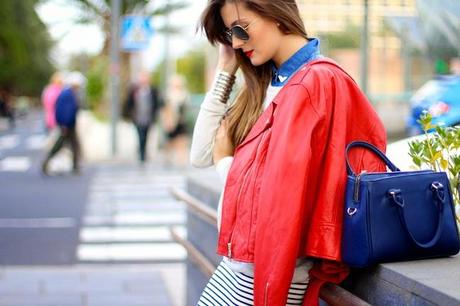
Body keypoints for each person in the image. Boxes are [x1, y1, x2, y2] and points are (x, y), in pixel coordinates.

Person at [191, 1, 387, 305]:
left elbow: (279, 196)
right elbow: (201, 153)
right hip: (239, 268)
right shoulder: (265, 83)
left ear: (276, 14)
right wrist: (225, 70)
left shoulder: (313, 84)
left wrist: (225, 162)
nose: (237, 42)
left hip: (270, 274)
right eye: (231, 33)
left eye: (242, 28)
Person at [42, 71, 86, 176]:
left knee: (74, 145)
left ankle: (75, 166)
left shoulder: (69, 93)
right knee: (60, 145)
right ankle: (47, 162)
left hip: (70, 124)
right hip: (67, 125)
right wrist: (64, 124)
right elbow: (65, 110)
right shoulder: (68, 94)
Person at [123, 71, 163, 163]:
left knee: (147, 136)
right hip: (137, 118)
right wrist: (127, 115)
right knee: (140, 136)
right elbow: (128, 103)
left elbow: (158, 103)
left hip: (149, 118)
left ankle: (143, 152)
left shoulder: (153, 90)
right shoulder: (134, 90)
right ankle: (142, 156)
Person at [163, 75, 191, 167]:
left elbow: (186, 109)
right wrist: (167, 121)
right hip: (171, 122)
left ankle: (181, 160)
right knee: (170, 142)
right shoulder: (168, 96)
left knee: (182, 140)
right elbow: (166, 110)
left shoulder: (185, 95)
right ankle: (168, 158)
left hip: (181, 122)